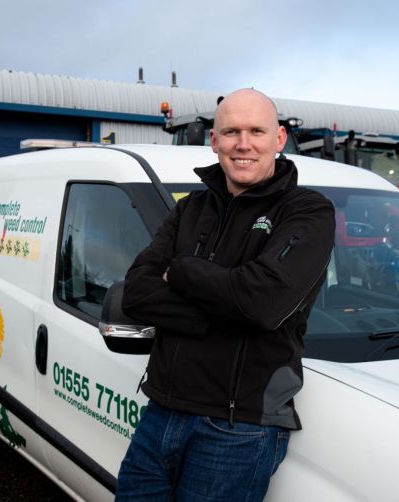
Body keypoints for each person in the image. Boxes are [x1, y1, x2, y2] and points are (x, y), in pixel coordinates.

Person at [116, 88, 335, 501]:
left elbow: (262, 303)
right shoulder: (190, 209)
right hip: (160, 413)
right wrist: (221, 308)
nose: (244, 143)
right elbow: (138, 293)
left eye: (256, 130)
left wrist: (180, 271)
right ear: (214, 140)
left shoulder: (307, 211)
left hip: (237, 430)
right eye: (231, 131)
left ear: (279, 139)